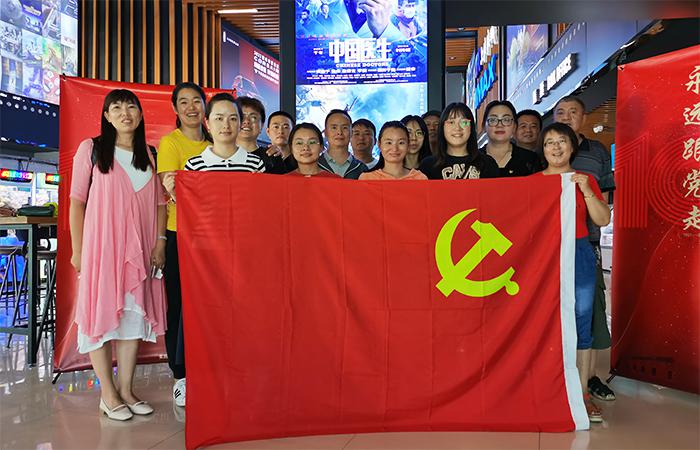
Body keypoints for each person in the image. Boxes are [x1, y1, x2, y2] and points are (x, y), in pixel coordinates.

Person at [69, 89, 167, 421]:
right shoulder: (92, 149)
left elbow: (160, 204)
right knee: (100, 318)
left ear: (140, 113)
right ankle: (107, 395)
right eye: (116, 108)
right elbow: (77, 202)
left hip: (140, 252)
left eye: (131, 107)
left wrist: (160, 242)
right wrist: (78, 251)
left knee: (132, 319)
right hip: (102, 250)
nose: (125, 113)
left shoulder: (149, 154)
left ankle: (126, 389)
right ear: (107, 116)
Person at [537, 122, 611, 423]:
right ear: (543, 150)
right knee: (542, 322)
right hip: (542, 258)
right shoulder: (533, 183)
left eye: (561, 141)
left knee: (581, 321)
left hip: (578, 253)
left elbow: (602, 219)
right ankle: (547, 389)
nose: (556, 147)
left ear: (572, 146)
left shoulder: (585, 179)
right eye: (549, 143)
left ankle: (581, 395)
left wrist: (586, 191)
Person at [554, 95, 616, 402]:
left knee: (587, 314)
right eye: (560, 112)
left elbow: (604, 211)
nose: (556, 148)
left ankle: (585, 384)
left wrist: (587, 190)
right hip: (547, 254)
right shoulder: (537, 175)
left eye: (573, 112)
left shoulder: (594, 161)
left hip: (584, 247)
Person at [157, 82, 210, 408]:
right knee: (179, 304)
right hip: (180, 233)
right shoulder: (171, 143)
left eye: (197, 101)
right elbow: (171, 189)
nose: (192, 108)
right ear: (176, 109)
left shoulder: (215, 143)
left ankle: (208, 368)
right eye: (184, 102)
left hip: (213, 236)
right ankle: (181, 374)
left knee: (210, 306)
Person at [185, 93, 265, 172]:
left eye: (233, 119)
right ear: (207, 123)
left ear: (240, 123)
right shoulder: (193, 165)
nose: (226, 125)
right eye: (219, 118)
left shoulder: (256, 163)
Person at [419, 102, 499, 180]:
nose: (457, 128)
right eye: (451, 122)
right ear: (442, 128)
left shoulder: (488, 164)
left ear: (471, 128)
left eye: (464, 122)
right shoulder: (428, 166)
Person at [479, 100, 540, 177]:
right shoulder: (472, 160)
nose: (500, 125)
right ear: (484, 126)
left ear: (514, 127)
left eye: (506, 120)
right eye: (493, 120)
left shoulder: (530, 159)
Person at [359, 121, 427, 180]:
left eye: (401, 143)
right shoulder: (367, 178)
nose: (395, 149)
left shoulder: (420, 178)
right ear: (379, 145)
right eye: (389, 143)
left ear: (408, 145)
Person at [235, 96, 286, 174]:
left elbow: (282, 181)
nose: (247, 121)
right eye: (242, 117)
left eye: (253, 117)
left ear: (262, 125)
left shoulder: (272, 156)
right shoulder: (221, 155)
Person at [318, 109, 368, 179]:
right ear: (325, 132)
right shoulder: (315, 165)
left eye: (345, 128)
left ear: (351, 133)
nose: (339, 132)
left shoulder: (362, 169)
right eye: (334, 128)